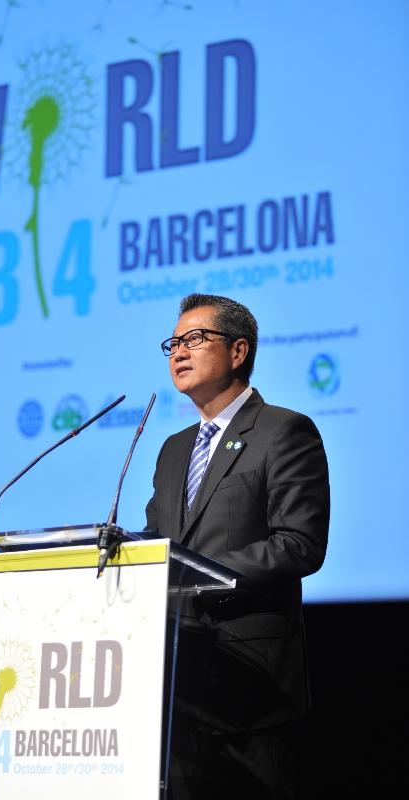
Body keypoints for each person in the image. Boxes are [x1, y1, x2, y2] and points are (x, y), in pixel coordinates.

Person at [145, 293, 330, 799]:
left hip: (253, 694)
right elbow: (156, 545)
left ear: (238, 350)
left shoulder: (283, 431)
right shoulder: (173, 449)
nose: (178, 352)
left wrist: (198, 579)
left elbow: (299, 544)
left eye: (195, 339)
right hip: (179, 694)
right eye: (173, 343)